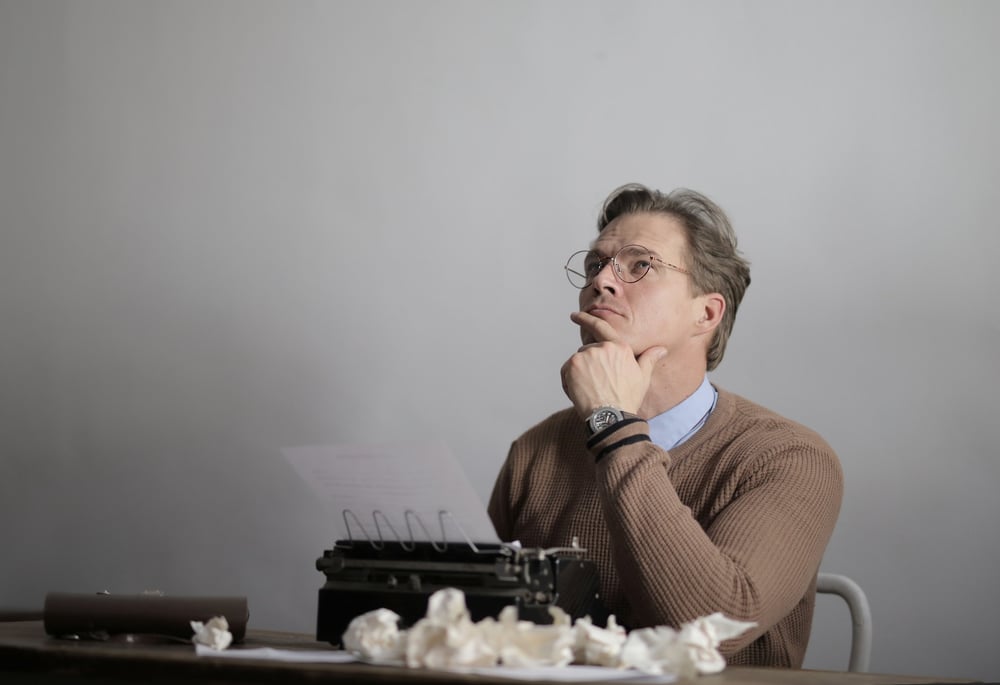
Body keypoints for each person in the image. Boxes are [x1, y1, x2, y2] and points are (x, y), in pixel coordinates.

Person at [487, 183, 843, 668]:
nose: (601, 282)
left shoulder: (788, 458)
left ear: (706, 312)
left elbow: (710, 629)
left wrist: (613, 426)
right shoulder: (536, 450)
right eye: (595, 265)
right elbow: (475, 620)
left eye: (640, 265)